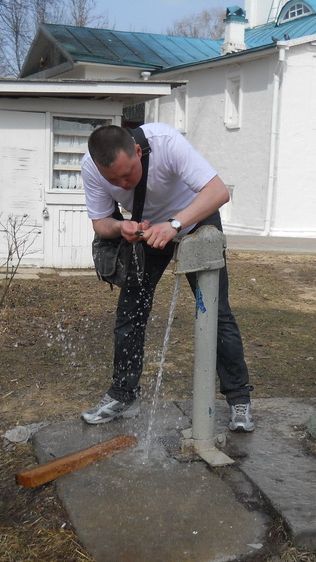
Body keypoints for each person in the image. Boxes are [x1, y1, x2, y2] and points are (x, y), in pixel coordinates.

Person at [80, 123, 254, 432]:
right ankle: (123, 394)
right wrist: (121, 228)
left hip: (194, 220)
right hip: (147, 231)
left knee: (216, 312)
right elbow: (101, 222)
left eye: (128, 173)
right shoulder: (91, 167)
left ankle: (239, 399)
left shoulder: (166, 142)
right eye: (114, 180)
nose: (123, 183)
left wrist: (174, 224)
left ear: (137, 151)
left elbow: (218, 191)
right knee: (130, 313)